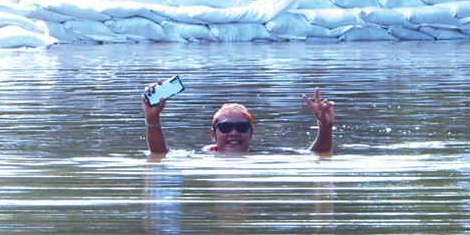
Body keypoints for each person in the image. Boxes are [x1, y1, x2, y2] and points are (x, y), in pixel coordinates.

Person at [141, 85, 335, 154]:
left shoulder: (263, 157)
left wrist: (325, 127)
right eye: (225, 128)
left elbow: (316, 156)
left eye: (241, 127)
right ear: (213, 135)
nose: (234, 133)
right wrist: (152, 119)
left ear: (251, 132)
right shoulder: (204, 157)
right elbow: (160, 155)